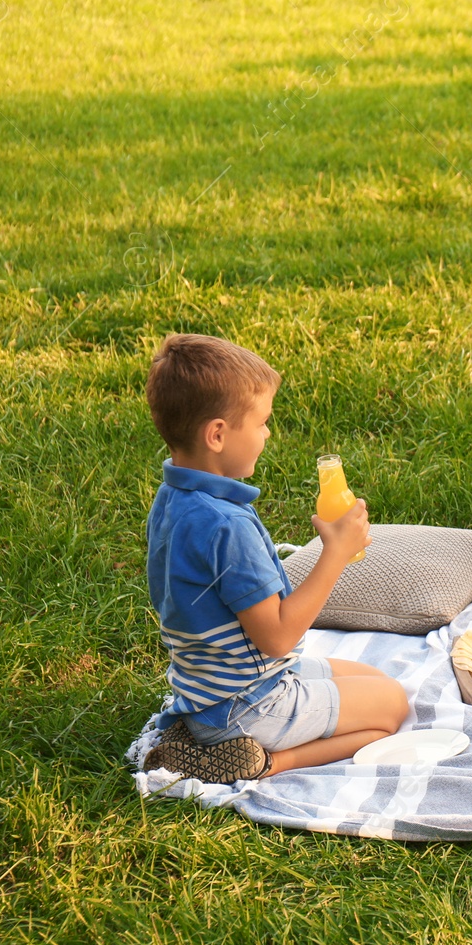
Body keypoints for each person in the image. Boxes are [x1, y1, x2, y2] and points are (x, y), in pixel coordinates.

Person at [139, 334, 409, 784]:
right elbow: (279, 637)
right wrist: (335, 554)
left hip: (209, 691)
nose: (267, 433)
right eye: (262, 422)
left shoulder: (174, 498)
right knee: (393, 709)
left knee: (374, 679)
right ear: (218, 434)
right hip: (249, 704)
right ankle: (257, 762)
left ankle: (199, 737)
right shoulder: (226, 525)